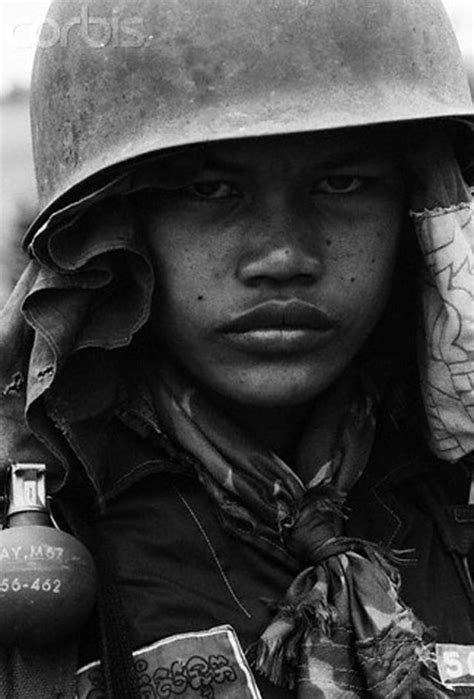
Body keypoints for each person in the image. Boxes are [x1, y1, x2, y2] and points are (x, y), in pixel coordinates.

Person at [0, 0, 473, 697]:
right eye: (208, 188)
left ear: (412, 209)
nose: (283, 255)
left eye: (343, 183)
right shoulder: (40, 524)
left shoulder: (455, 491)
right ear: (115, 230)